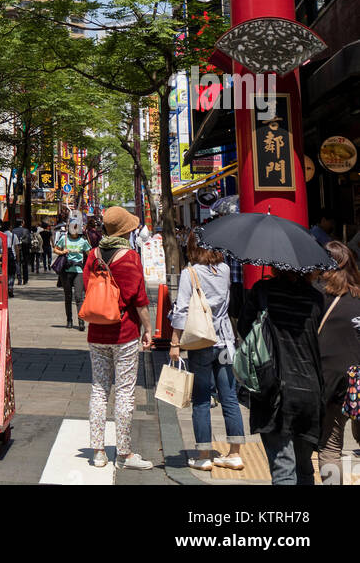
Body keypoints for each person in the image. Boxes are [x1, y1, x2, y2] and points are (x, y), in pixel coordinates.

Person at [238, 267, 326, 486]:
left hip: (274, 391)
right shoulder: (316, 297)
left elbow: (243, 329)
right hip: (309, 391)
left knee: (283, 469)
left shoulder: (263, 292)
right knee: (304, 468)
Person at [83, 205, 154, 471]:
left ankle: (98, 451)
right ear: (126, 229)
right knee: (124, 392)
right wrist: (148, 329)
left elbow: (88, 287)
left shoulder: (93, 255)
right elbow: (140, 300)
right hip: (124, 333)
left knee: (99, 389)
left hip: (97, 331)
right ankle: (123, 453)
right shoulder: (131, 257)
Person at [169, 233, 245, 470]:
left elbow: (182, 309)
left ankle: (203, 455)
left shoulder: (190, 273)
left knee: (201, 399)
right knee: (229, 397)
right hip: (225, 341)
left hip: (201, 342)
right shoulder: (223, 270)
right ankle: (234, 454)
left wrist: (174, 342)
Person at [315, 241, 360, 485]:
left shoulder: (318, 297)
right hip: (359, 379)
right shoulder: (359, 294)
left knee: (331, 446)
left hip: (333, 380)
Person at [55, 220, 89, 329]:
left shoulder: (83, 241)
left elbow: (90, 254)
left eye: (76, 227)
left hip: (79, 271)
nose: (74, 230)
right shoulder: (64, 239)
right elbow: (55, 249)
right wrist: (62, 252)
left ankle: (81, 321)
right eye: (72, 227)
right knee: (68, 296)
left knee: (79, 297)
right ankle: (69, 320)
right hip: (66, 271)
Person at [0, 219, 16, 298]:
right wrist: (18, 258)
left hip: (3, 256)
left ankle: (4, 289)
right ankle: (11, 287)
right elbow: (17, 247)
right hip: (12, 256)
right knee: (12, 273)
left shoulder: (0, 236)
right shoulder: (13, 236)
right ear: (10, 227)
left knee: (4, 273)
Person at [12, 219, 30, 286]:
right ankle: (25, 279)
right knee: (25, 265)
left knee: (17, 263)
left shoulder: (13, 230)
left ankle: (19, 278)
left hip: (16, 248)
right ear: (22, 223)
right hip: (24, 249)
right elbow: (28, 241)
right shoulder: (26, 230)